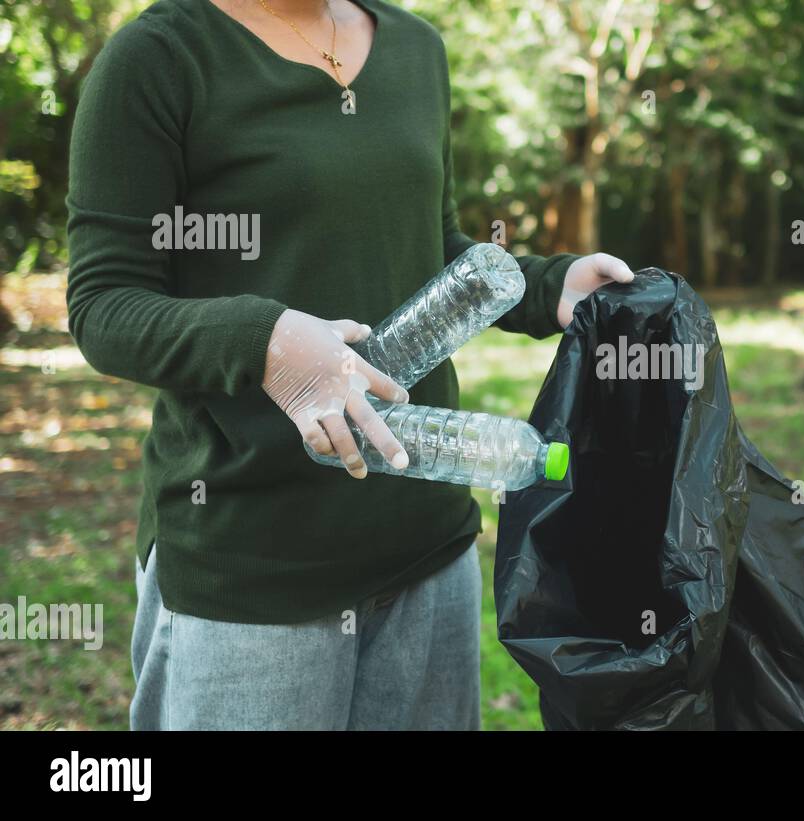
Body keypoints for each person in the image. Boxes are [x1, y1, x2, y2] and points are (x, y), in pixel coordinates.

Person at [65, 0, 633, 730]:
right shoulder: (158, 58)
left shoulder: (415, 48)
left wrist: (551, 288)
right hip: (254, 572)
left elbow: (429, 247)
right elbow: (104, 304)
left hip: (427, 549)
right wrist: (265, 340)